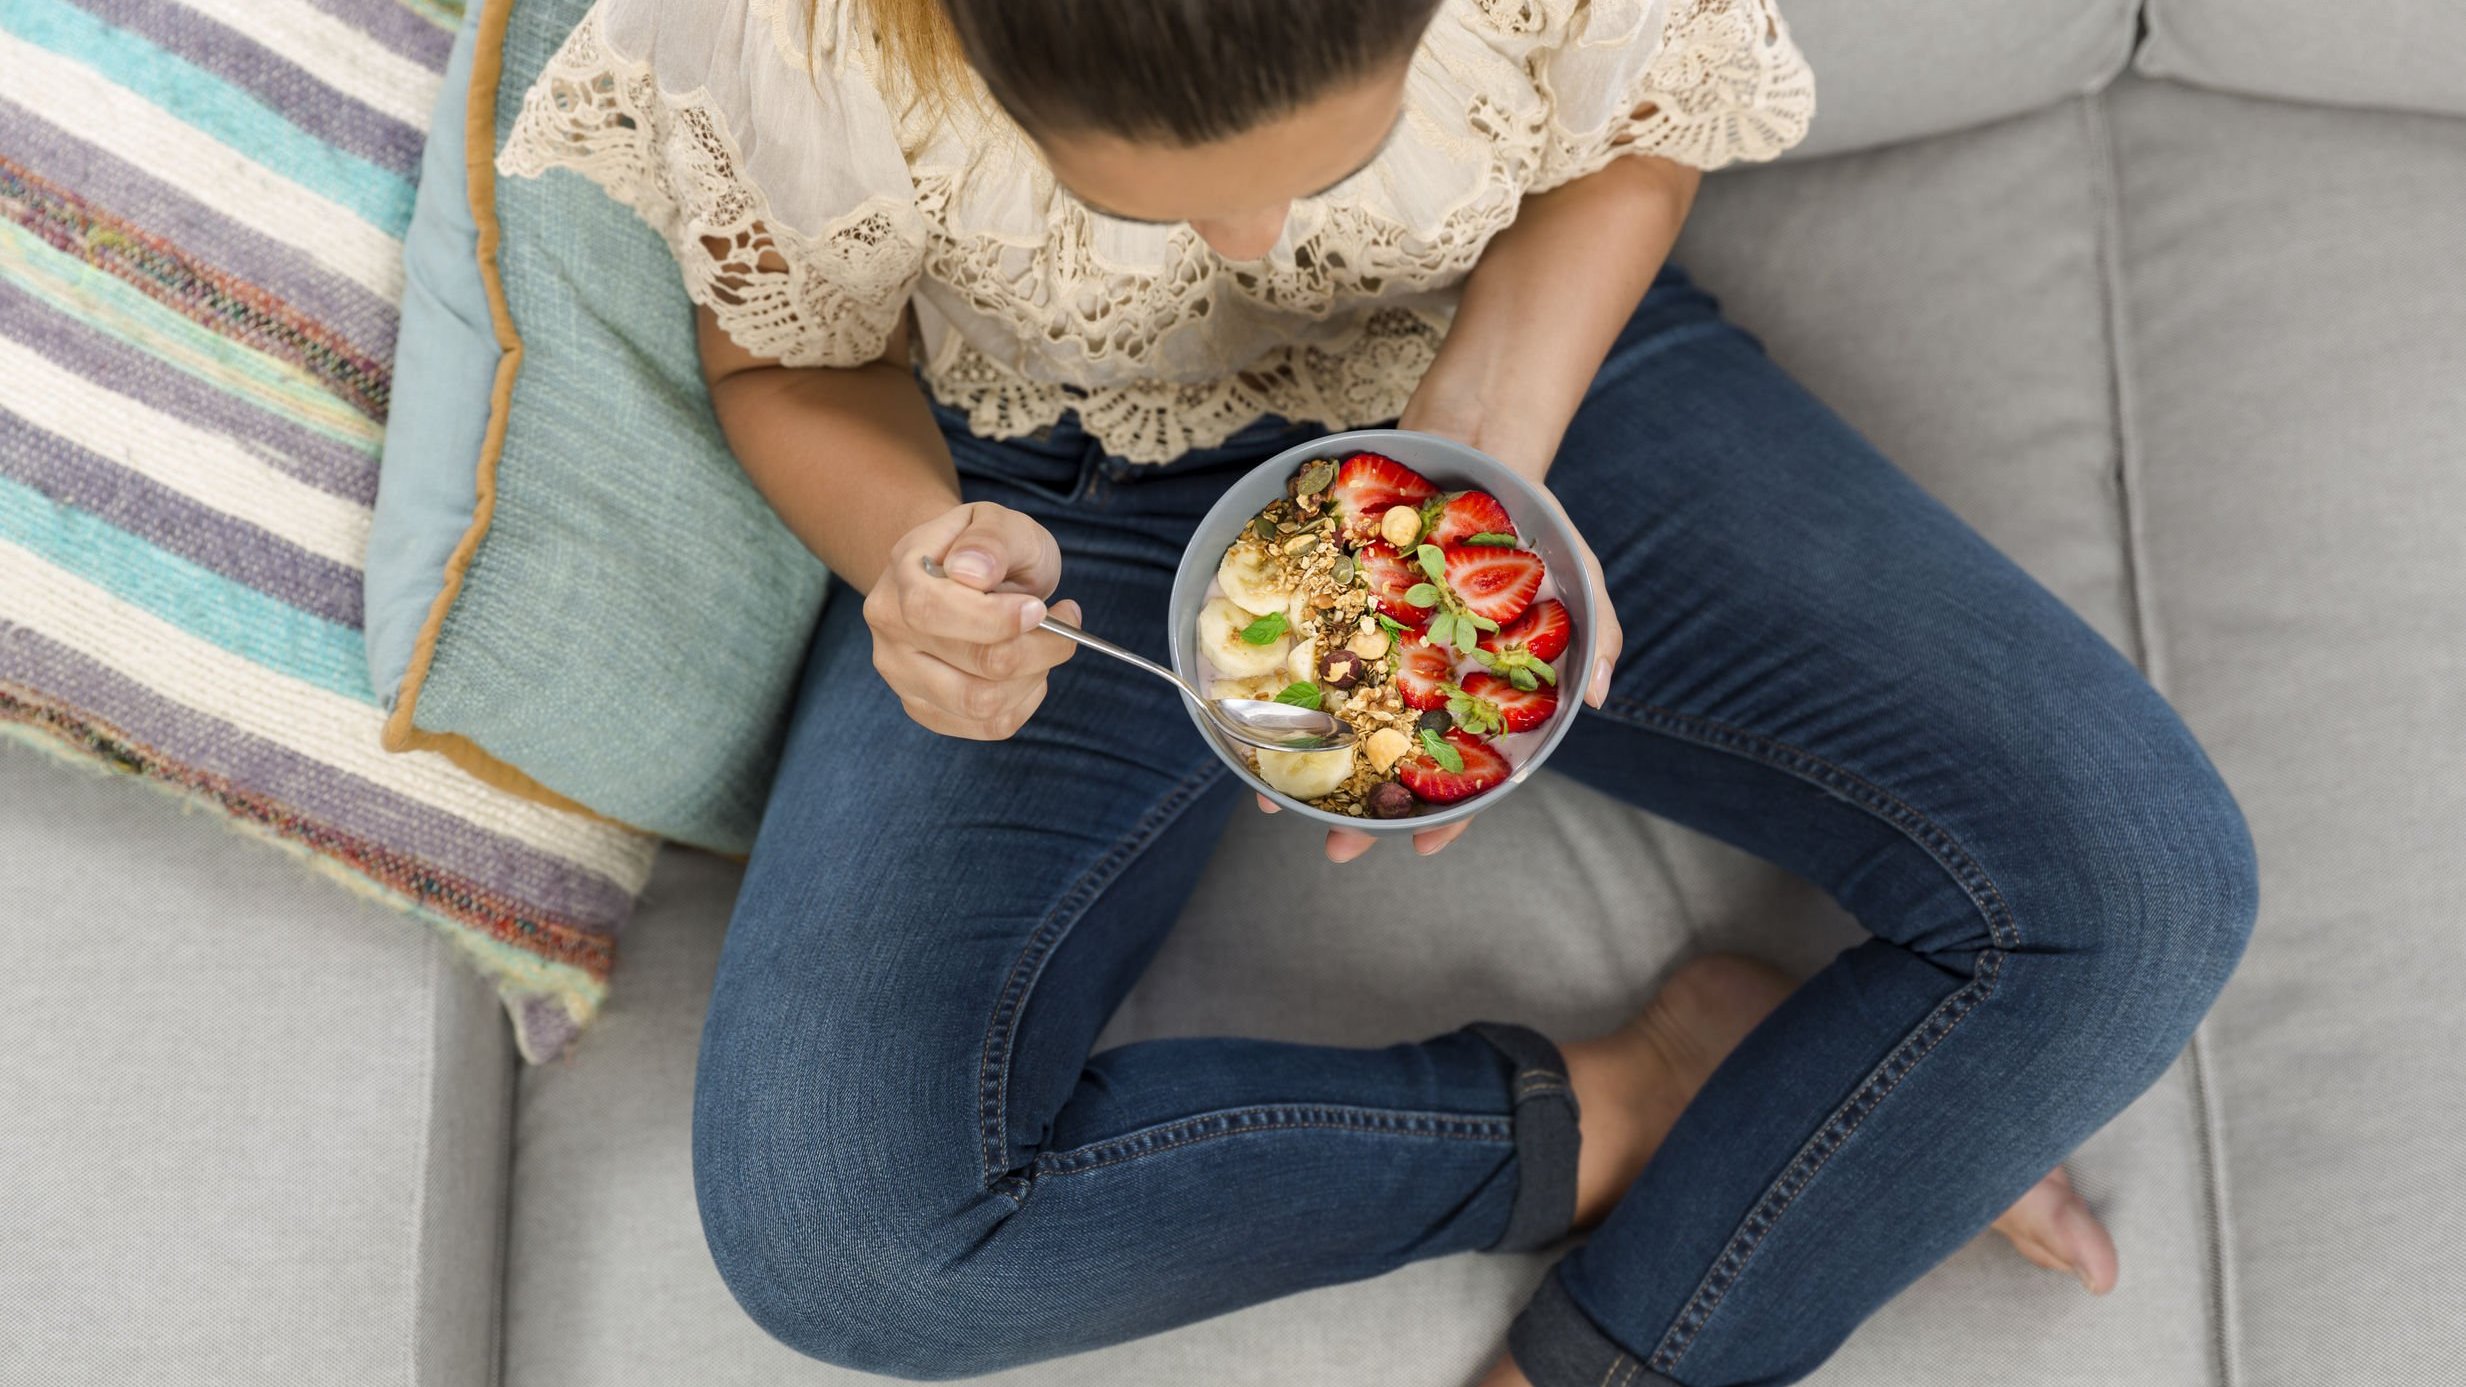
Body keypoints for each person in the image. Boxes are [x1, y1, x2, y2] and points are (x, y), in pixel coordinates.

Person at [502, 0, 2258, 1382]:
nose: (1260, 236)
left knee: (2136, 884)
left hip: (1512, 361)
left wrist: (1479, 465)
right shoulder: (775, 35)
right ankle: (1649, 1099)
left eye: (1330, 155)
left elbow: (1633, 140)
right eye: (1169, 191)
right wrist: (914, 562)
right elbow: (785, 357)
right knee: (850, 1244)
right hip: (1055, 494)